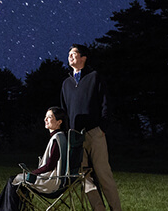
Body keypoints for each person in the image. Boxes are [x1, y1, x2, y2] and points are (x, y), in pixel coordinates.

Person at [60, 44, 121, 211]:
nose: (70, 57)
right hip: (75, 137)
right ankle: (99, 208)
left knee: (103, 175)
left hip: (95, 132)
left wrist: (102, 127)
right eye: (69, 54)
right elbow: (64, 111)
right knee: (84, 177)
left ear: (83, 57)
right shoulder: (66, 84)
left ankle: (116, 209)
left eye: (73, 54)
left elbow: (105, 103)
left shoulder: (95, 77)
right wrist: (67, 133)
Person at [0, 106, 69, 211]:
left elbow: (50, 165)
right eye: (45, 117)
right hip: (52, 179)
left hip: (51, 182)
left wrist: (33, 173)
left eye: (49, 117)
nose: (45, 120)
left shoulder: (57, 138)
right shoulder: (61, 137)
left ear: (59, 122)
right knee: (14, 180)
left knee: (13, 180)